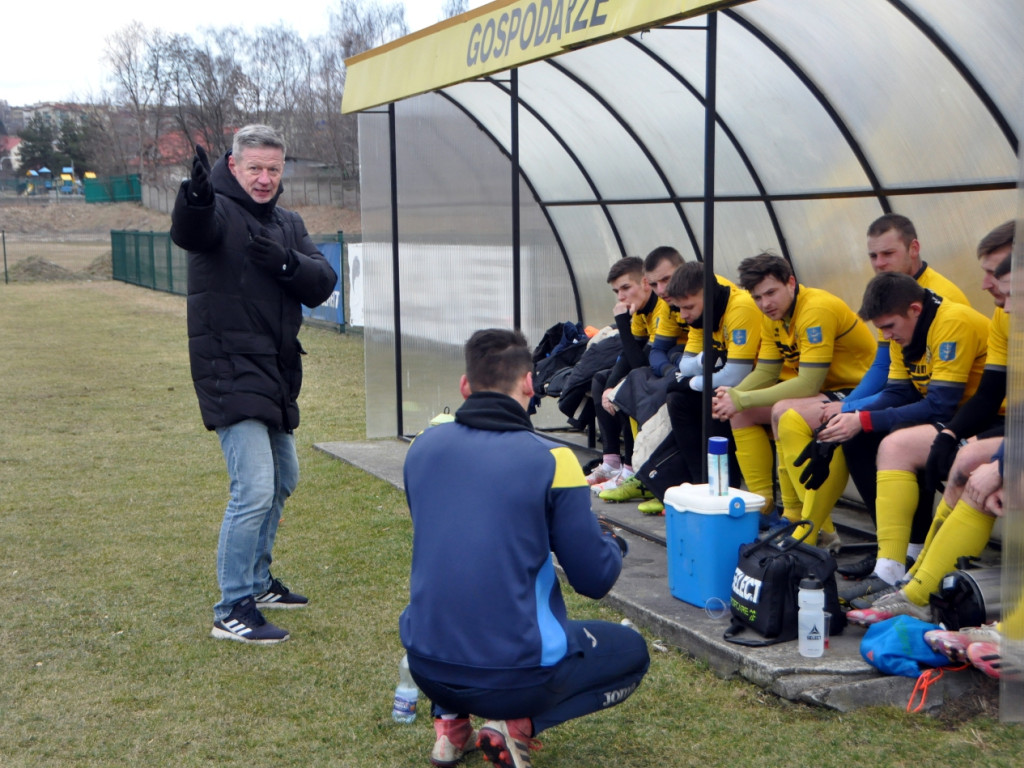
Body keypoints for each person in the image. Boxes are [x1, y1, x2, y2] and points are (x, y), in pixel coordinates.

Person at [401, 329, 649, 768]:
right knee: (632, 653)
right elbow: (594, 579)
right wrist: (612, 545)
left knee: (462, 584)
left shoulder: (422, 448)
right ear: (530, 385)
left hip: (426, 668)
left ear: (464, 385)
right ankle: (513, 728)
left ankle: (450, 729)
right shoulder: (554, 460)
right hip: (515, 675)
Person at [171, 125, 338, 644]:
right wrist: (194, 197)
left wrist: (285, 262)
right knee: (253, 489)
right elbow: (192, 230)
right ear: (234, 165)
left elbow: (322, 282)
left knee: (283, 478)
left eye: (273, 169)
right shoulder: (217, 209)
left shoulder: (288, 222)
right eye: (254, 169)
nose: (264, 179)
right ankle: (232, 607)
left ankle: (259, 581)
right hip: (228, 367)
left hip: (274, 371)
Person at [773, 214, 971, 554]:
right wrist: (849, 409)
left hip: (953, 410)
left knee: (877, 436)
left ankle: (905, 550)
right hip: (911, 395)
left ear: (914, 249)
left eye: (888, 254)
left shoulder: (943, 299)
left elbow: (938, 395)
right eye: (873, 256)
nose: (879, 264)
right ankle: (820, 527)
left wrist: (857, 412)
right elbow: (886, 367)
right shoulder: (888, 293)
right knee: (822, 424)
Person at [812, 272, 989, 601]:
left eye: (890, 326)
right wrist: (853, 415)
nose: (886, 335)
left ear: (915, 310)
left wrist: (864, 420)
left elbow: (940, 405)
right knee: (860, 435)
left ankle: (899, 565)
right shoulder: (904, 335)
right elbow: (896, 392)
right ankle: (896, 553)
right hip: (955, 420)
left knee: (895, 441)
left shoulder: (951, 322)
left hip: (987, 423)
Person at [710, 253, 876, 539]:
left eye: (771, 293)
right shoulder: (771, 316)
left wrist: (741, 397)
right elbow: (766, 371)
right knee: (742, 411)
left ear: (791, 282)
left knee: (785, 411)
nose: (766, 304)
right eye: (758, 298)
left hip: (860, 391)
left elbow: (809, 384)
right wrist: (735, 395)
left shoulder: (816, 309)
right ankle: (766, 507)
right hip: (826, 392)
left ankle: (815, 526)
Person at [643, 261, 761, 511]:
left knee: (712, 397)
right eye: (680, 308)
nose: (683, 316)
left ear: (708, 295)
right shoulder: (701, 319)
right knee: (678, 398)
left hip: (760, 383)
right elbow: (685, 365)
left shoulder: (739, 307)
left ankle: (731, 490)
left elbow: (734, 376)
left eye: (688, 307)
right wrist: (702, 362)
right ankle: (700, 484)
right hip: (733, 386)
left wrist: (690, 382)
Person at [587, 250, 687, 494]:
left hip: (675, 370)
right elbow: (630, 356)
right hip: (661, 368)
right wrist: (608, 387)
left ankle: (633, 468)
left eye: (625, 288)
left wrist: (621, 321)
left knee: (628, 385)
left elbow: (639, 363)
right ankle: (611, 462)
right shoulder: (641, 312)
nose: (621, 297)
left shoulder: (660, 308)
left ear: (644, 284)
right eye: (616, 292)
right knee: (602, 380)